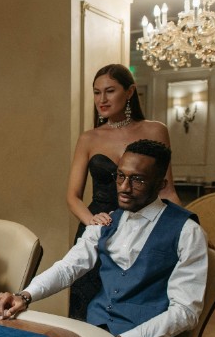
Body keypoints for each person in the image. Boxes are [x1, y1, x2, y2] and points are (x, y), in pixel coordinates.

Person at [0, 139, 207, 337]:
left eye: (137, 180)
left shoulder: (187, 231)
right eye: (120, 176)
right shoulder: (104, 221)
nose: (124, 187)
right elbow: (68, 267)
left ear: (162, 184)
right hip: (95, 329)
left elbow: (186, 311)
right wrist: (25, 295)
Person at [67, 63, 182, 321]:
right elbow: (72, 196)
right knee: (86, 309)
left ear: (129, 92)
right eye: (97, 93)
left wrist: (187, 227)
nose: (102, 99)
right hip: (99, 229)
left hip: (141, 229)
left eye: (110, 91)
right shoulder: (88, 138)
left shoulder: (155, 130)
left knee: (132, 306)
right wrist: (91, 224)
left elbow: (167, 191)